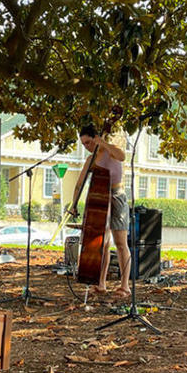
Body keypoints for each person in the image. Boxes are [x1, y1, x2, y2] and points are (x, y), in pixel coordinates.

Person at [67, 124, 131, 297]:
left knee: (121, 243)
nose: (87, 147)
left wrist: (103, 143)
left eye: (89, 142)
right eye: (84, 144)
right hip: (99, 198)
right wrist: (73, 204)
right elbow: (79, 183)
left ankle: (124, 286)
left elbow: (122, 156)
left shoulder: (111, 150)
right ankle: (101, 283)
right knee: (102, 243)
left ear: (96, 138)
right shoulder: (90, 160)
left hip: (117, 196)